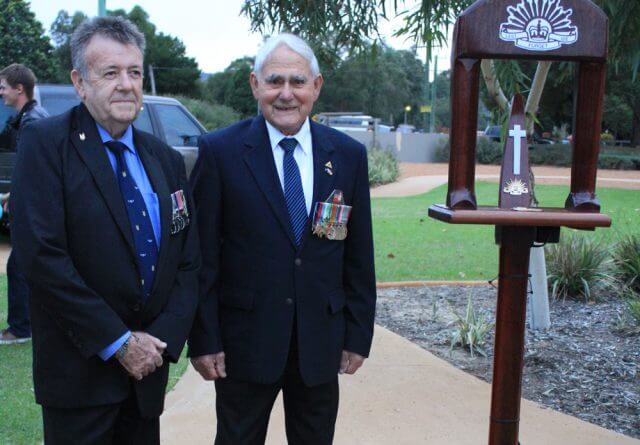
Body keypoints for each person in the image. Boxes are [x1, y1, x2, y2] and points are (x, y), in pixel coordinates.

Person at [10, 16, 199, 444]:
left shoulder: (165, 159)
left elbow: (187, 259)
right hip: (79, 380)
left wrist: (162, 340)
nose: (126, 84)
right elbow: (42, 257)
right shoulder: (45, 144)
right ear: (79, 82)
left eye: (134, 72)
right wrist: (119, 343)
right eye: (110, 72)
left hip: (147, 378)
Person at [188, 33, 377, 444]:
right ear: (255, 85)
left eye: (297, 81)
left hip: (320, 345)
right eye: (275, 81)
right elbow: (201, 257)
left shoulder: (346, 155)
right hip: (243, 346)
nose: (286, 94)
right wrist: (204, 339)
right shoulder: (220, 152)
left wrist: (359, 335)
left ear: (316, 86)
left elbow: (358, 255)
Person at [0, 63, 49, 345]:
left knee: (19, 265)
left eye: (4, 86)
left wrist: (16, 199)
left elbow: (33, 172)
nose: (1, 92)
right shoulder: (32, 118)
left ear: (20, 89)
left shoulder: (32, 123)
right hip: (35, 205)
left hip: (35, 209)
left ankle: (20, 329)